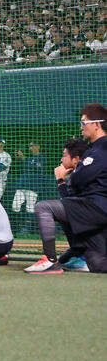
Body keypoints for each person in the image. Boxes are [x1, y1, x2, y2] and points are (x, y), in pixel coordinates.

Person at [26, 104, 107, 274]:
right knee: (98, 264)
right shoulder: (96, 149)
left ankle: (50, 260)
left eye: (84, 122)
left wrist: (67, 176)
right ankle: (73, 255)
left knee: (44, 207)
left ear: (97, 125)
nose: (81, 126)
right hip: (94, 210)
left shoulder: (103, 147)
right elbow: (73, 191)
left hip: (96, 208)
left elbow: (78, 180)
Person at [10, 141, 53, 233]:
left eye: (32, 146)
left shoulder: (41, 158)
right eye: (29, 146)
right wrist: (20, 158)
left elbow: (36, 168)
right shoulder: (29, 158)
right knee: (15, 206)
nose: (30, 148)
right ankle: (18, 227)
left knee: (30, 208)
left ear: (38, 146)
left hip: (33, 187)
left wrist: (23, 159)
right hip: (22, 186)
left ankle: (27, 228)